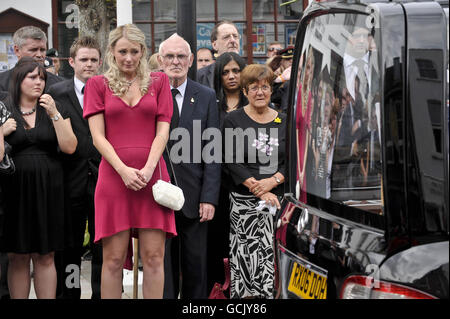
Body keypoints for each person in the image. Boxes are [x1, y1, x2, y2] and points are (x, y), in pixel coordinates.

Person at [83, 24, 176, 299]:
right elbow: (97, 137)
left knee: (154, 258)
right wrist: (123, 171)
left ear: (143, 51)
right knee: (112, 260)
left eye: (134, 51)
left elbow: (163, 131)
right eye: (122, 51)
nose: (128, 58)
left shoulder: (159, 82)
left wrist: (148, 169)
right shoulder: (97, 84)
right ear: (112, 51)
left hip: (152, 178)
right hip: (114, 179)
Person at [0, 57, 77, 299]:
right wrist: (1, 132)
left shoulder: (54, 106)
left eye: (42, 78)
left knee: (46, 254)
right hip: (14, 190)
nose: (39, 82)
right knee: (18, 255)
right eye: (32, 77)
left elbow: (69, 147)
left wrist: (54, 113)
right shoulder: (3, 107)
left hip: (49, 189)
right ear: (19, 79)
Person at [158, 33, 220, 299]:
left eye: (181, 56)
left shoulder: (206, 96)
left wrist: (209, 197)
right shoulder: (149, 93)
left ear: (191, 60)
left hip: (196, 198)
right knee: (162, 266)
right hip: (158, 194)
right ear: (160, 60)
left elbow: (213, 151)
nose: (175, 61)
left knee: (196, 266)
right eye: (169, 56)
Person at [223, 64, 286, 298]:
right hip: (243, 204)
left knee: (273, 258)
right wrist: (259, 189)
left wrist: (273, 181)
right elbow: (230, 161)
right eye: (253, 88)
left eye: (265, 87)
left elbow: (292, 160)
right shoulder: (233, 120)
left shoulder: (284, 121)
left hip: (278, 202)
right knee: (246, 259)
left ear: (271, 90)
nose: (260, 92)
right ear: (245, 91)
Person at [47, 36, 103, 299]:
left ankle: (100, 294)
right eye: (84, 59)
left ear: (101, 61)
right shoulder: (57, 94)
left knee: (102, 246)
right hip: (70, 181)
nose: (89, 64)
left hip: (103, 181)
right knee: (69, 249)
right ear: (72, 62)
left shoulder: (109, 91)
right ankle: (69, 295)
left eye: (94, 59)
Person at [207, 51, 247, 294]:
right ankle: (217, 292)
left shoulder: (255, 101)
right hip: (219, 185)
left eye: (236, 71)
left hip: (248, 186)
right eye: (226, 72)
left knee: (245, 245)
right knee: (218, 244)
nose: (231, 76)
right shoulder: (212, 104)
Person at [0, 26, 64, 92]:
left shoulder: (60, 84)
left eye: (42, 50)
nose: (39, 55)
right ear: (17, 50)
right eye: (33, 50)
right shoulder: (2, 83)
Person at [197, 20, 241, 89]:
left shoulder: (250, 73)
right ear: (215, 45)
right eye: (226, 37)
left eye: (235, 36)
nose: (233, 40)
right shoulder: (200, 76)